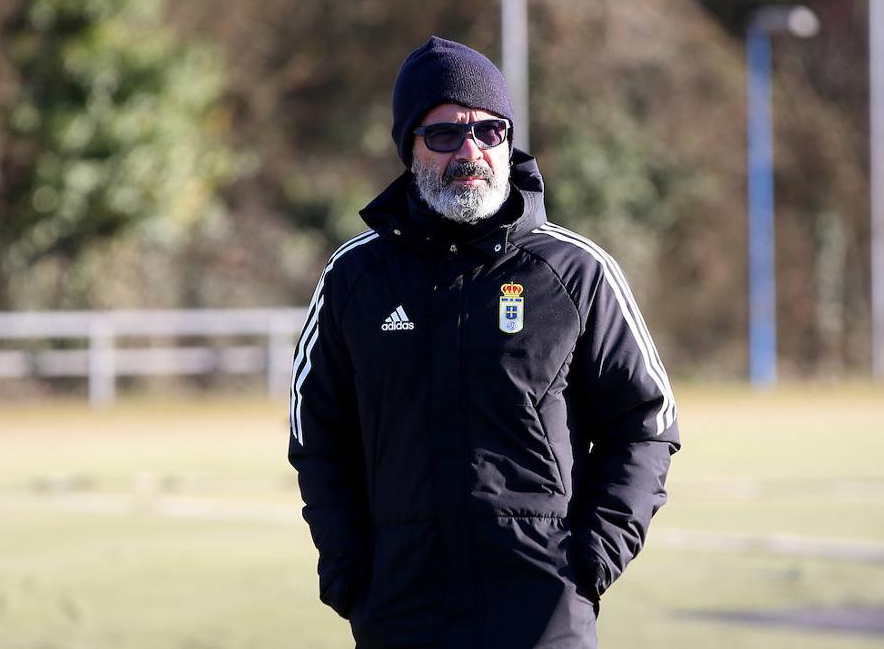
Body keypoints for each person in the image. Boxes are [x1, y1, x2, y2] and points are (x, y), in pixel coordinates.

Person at [288, 36, 679, 649]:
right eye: (444, 135)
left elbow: (647, 422)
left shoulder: (576, 272)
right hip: (400, 609)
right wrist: (348, 570)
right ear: (409, 148)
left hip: (543, 610)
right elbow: (316, 437)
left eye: (489, 131)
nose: (471, 150)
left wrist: (592, 559)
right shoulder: (353, 279)